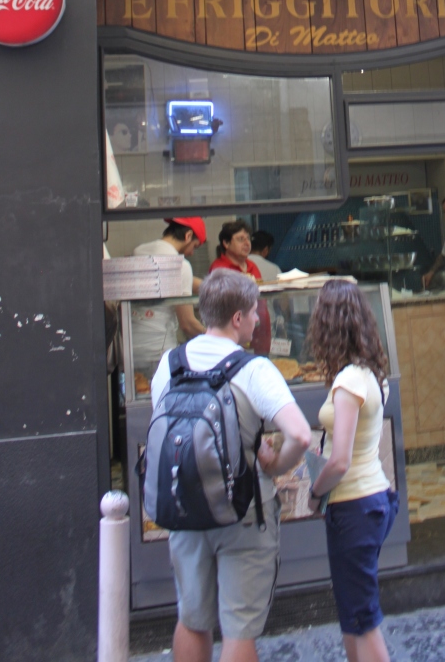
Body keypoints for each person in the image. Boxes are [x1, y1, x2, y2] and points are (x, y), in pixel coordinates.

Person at [151, 269, 312, 662]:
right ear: (237, 318)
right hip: (244, 512)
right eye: (253, 312)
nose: (257, 319)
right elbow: (300, 434)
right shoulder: (254, 369)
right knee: (239, 631)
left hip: (184, 507)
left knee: (192, 619)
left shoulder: (169, 364)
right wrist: (275, 466)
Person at [307, 280, 399, 662]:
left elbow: (340, 461)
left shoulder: (348, 382)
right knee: (352, 611)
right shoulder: (373, 374)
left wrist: (314, 493)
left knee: (362, 614)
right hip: (373, 498)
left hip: (353, 506)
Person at [131, 217, 207, 379]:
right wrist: (217, 339)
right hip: (159, 352)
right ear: (188, 236)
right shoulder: (180, 265)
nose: (192, 253)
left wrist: (217, 286)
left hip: (131, 350)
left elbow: (170, 280)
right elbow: (187, 324)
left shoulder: (139, 251)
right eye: (194, 246)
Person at [210, 219, 272, 358]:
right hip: (234, 340)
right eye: (240, 239)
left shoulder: (252, 266)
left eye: (248, 239)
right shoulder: (219, 269)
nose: (247, 243)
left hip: (260, 335)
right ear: (226, 243)